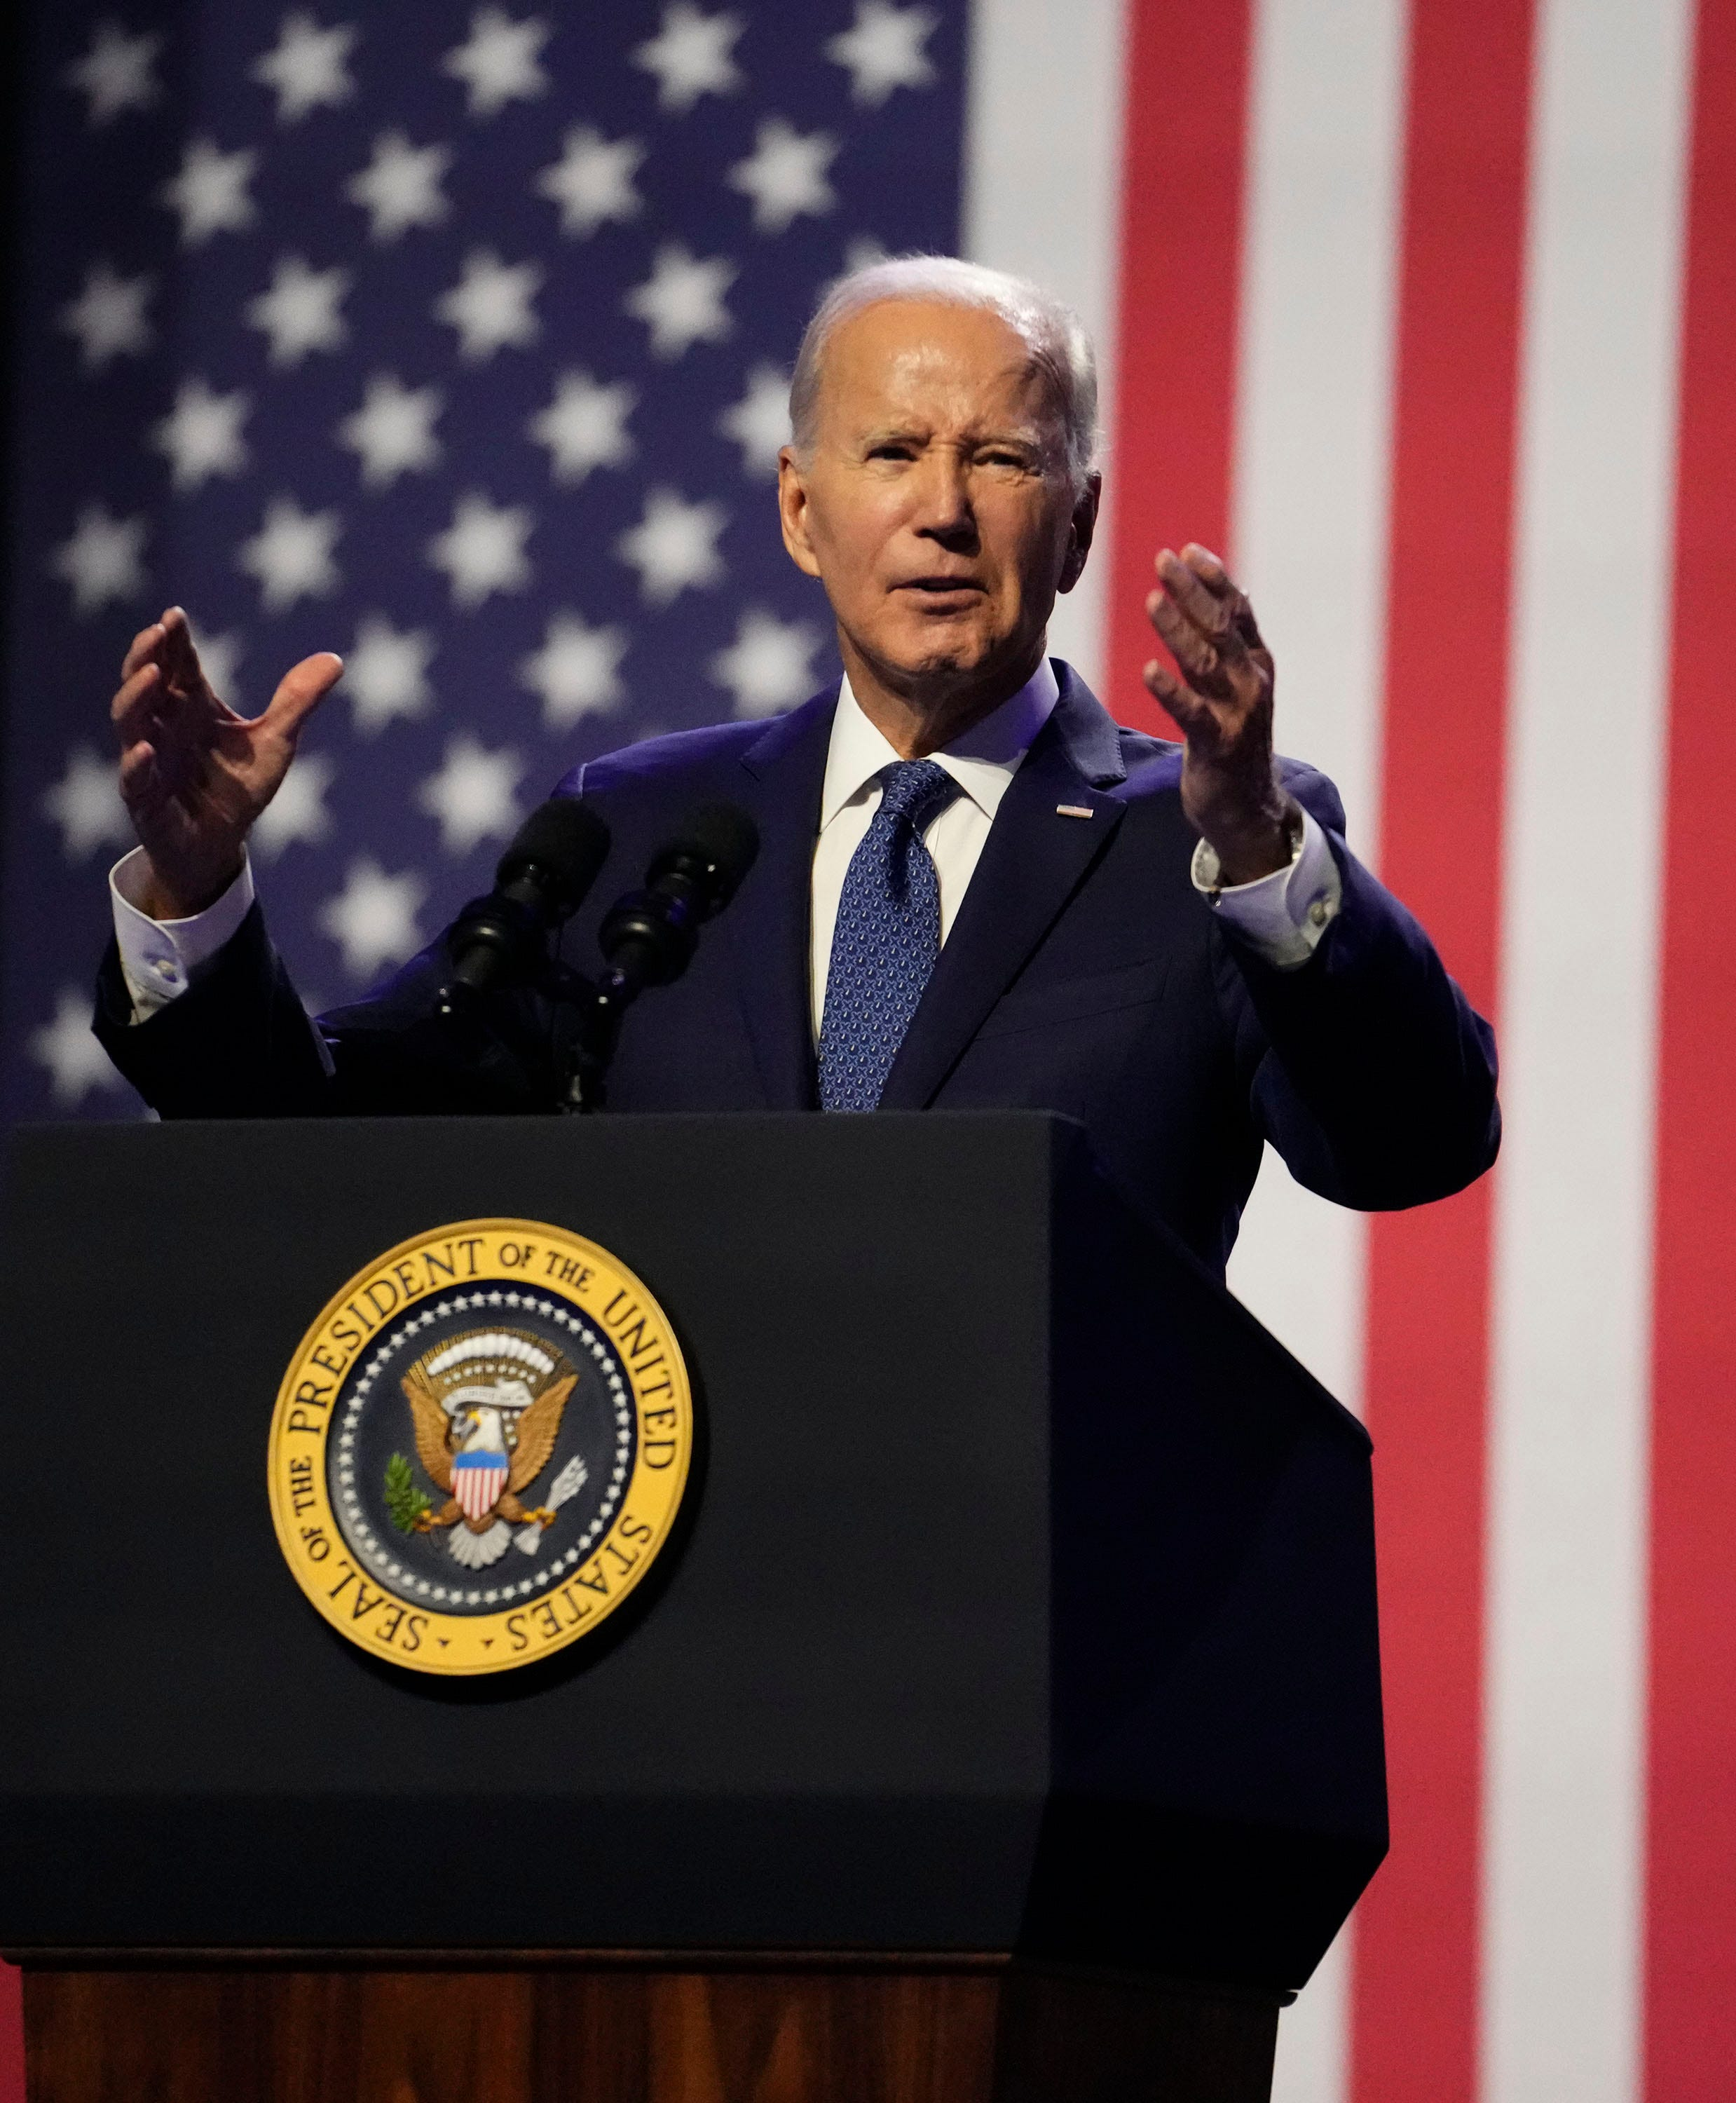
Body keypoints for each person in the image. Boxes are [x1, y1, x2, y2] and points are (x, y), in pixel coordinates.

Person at [93, 256, 1498, 1276]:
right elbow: (315, 1139)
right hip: (690, 1624)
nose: (941, 511)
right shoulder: (634, 830)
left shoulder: (1210, 845)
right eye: (891, 450)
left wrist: (1255, 850)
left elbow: (1406, 1146)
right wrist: (197, 891)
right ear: (798, 509)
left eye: (1000, 458)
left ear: (1074, 527)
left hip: (1061, 1615)